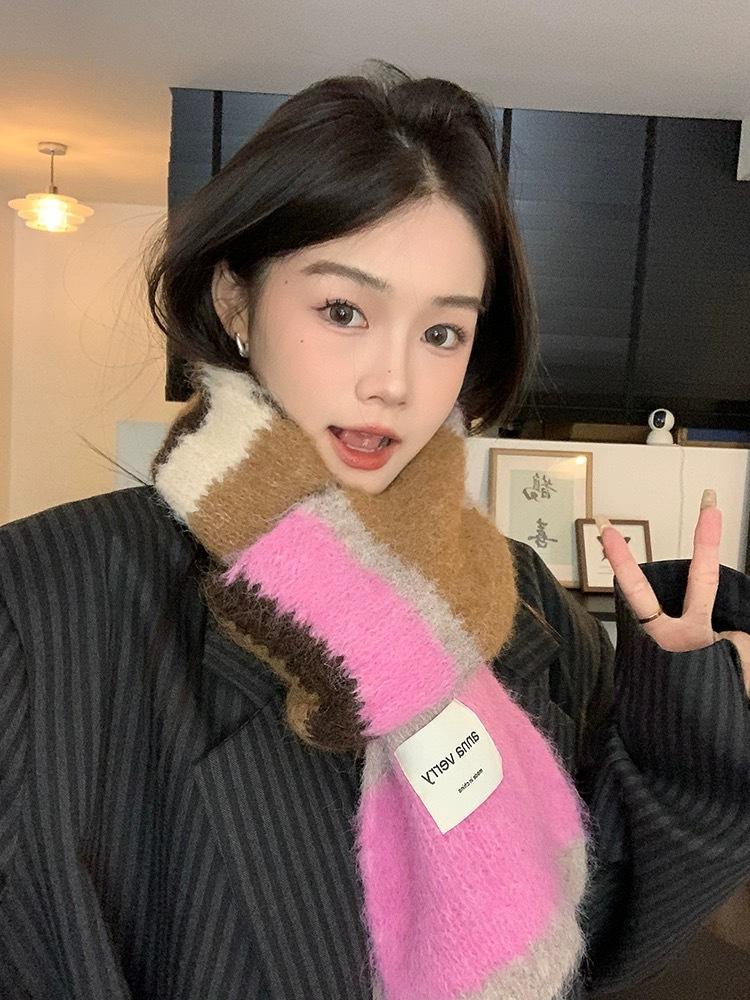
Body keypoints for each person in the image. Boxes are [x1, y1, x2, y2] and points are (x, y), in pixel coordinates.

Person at [0, 59, 748, 1000]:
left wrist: (690, 715)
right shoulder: (43, 604)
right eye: (344, 310)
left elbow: (603, 921)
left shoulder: (522, 605)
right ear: (235, 303)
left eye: (442, 333)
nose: (394, 383)